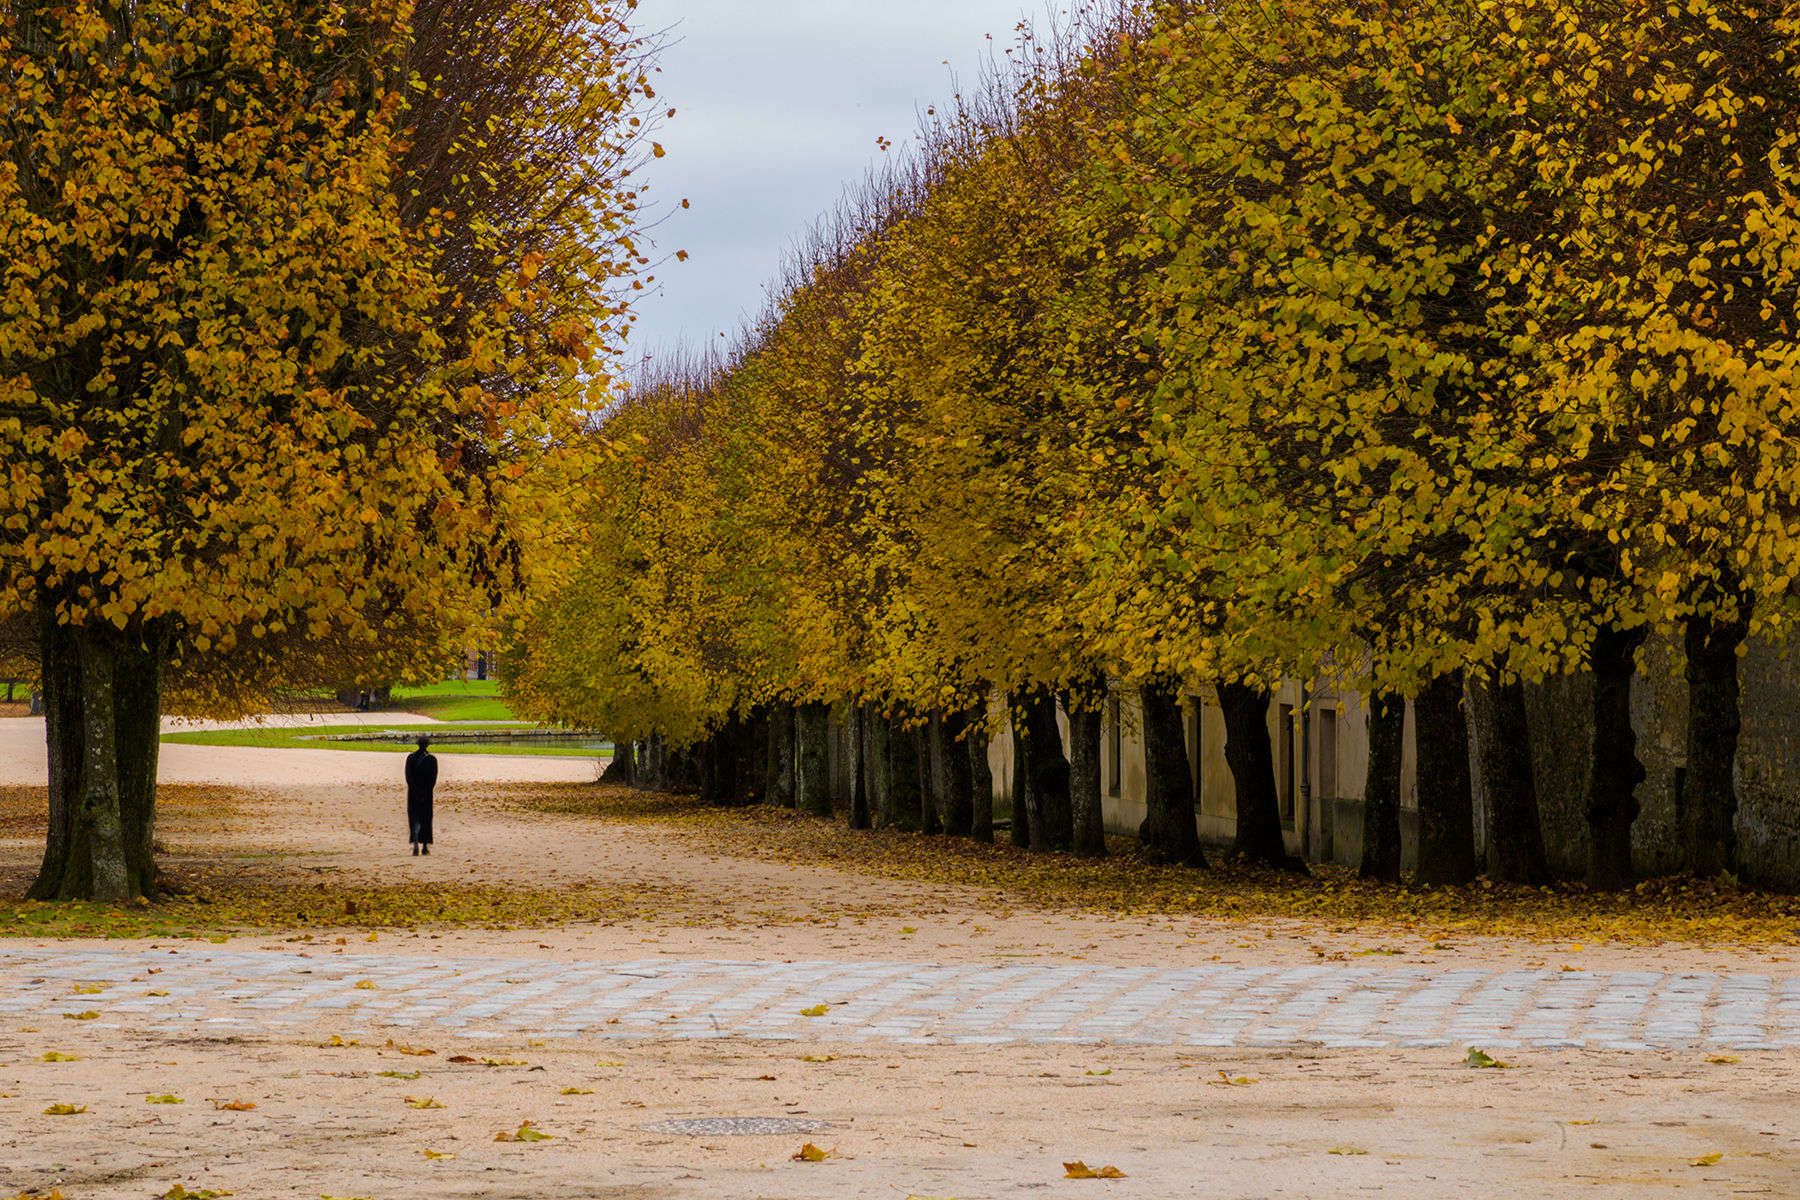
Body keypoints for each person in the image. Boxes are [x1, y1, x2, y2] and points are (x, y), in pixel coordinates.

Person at [405, 734, 437, 855]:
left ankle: (415, 840)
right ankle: (425, 845)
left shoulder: (411, 758)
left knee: (414, 817)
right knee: (426, 818)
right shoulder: (432, 760)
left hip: (413, 793)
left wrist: (415, 790)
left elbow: (408, 777)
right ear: (427, 745)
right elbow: (432, 780)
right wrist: (425, 792)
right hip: (427, 794)